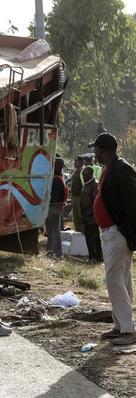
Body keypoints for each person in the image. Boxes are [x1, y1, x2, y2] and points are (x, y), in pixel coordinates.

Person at [90, 132, 136, 346]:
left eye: (96, 149)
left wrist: (124, 229)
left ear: (102, 150)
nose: (94, 153)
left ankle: (128, 330)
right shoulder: (109, 169)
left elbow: (132, 204)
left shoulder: (121, 169)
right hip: (111, 233)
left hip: (117, 233)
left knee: (114, 280)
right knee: (122, 280)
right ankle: (120, 325)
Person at [46, 157, 67, 258]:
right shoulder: (59, 178)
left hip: (53, 207)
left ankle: (57, 252)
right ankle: (50, 250)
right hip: (57, 207)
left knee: (54, 231)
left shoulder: (54, 180)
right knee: (51, 230)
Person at [80, 166, 102, 263]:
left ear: (90, 174)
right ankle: (93, 256)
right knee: (89, 237)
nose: (83, 177)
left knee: (93, 237)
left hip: (92, 217)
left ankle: (95, 257)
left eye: (85, 175)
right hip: (87, 217)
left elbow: (95, 202)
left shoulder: (94, 185)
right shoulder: (86, 184)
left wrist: (89, 213)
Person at [70, 156, 84, 234]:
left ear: (81, 163)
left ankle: (83, 234)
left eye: (77, 161)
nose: (75, 163)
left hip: (80, 197)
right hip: (75, 197)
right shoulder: (75, 171)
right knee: (75, 217)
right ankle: (78, 233)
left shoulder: (82, 172)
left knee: (81, 216)